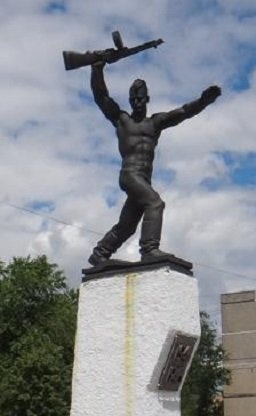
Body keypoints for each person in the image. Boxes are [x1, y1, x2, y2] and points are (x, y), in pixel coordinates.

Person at [87, 61, 221, 266]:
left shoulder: (155, 123)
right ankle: (149, 249)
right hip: (129, 175)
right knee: (155, 203)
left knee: (127, 226)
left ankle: (100, 252)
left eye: (141, 98)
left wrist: (203, 101)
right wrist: (97, 69)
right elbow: (101, 97)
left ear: (147, 99)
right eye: (134, 98)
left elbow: (183, 112)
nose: (138, 101)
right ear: (130, 100)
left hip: (143, 179)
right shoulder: (122, 120)